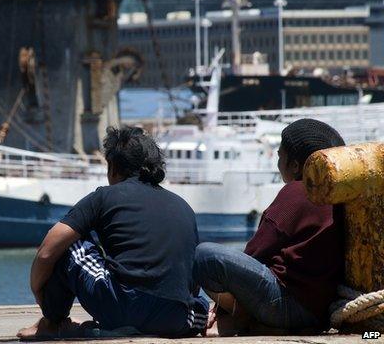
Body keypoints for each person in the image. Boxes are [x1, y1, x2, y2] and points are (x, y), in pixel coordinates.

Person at [17, 126, 208, 339]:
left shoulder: (104, 197)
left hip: (122, 308)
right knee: (196, 299)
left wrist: (38, 291)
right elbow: (193, 277)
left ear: (113, 168)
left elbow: (47, 251)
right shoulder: (183, 206)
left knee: (68, 244)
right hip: (174, 319)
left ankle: (52, 323)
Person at [193, 118, 346, 335]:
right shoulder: (341, 197)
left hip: (285, 305)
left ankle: (241, 318)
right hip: (320, 313)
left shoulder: (297, 192)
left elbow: (255, 252)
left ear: (294, 165)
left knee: (203, 255)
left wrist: (222, 307)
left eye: (280, 156)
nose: (278, 163)